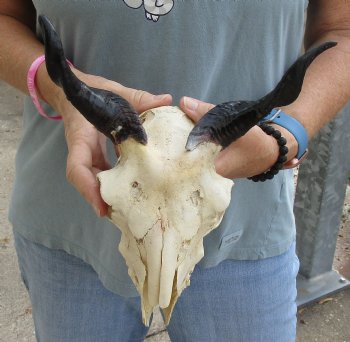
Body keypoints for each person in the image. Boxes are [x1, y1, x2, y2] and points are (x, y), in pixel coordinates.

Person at [1, 1, 349, 341]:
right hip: (71, 226)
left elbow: (342, 28)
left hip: (242, 232)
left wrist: (286, 135)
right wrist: (59, 89)